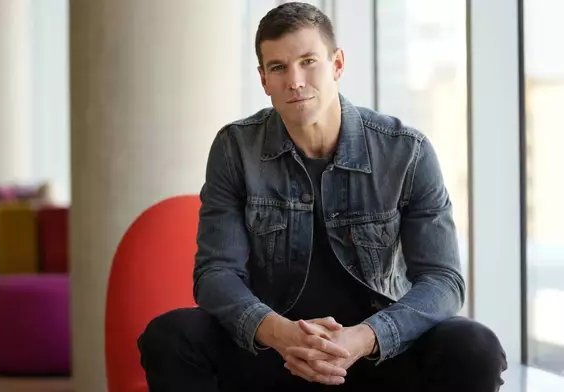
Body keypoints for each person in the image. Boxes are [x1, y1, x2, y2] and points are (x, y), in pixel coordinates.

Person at [138, 2, 507, 391]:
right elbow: (215, 274)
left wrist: (363, 338)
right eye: (278, 67)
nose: (295, 81)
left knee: (474, 346)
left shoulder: (406, 152)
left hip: (376, 353)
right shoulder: (235, 149)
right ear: (263, 80)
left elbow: (443, 280)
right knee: (171, 336)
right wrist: (282, 335)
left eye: (308, 61)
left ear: (338, 64)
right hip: (276, 351)